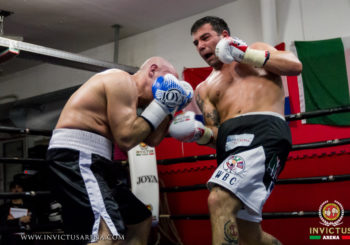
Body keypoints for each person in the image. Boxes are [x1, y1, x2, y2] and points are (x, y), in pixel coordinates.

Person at [169, 16, 302, 244]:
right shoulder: (203, 89)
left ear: (224, 36)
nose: (200, 46)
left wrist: (245, 54)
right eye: (196, 43)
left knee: (218, 200)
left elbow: (294, 66)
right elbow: (217, 135)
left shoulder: (256, 52)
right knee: (250, 236)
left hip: (264, 132)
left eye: (205, 37)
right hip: (230, 147)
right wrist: (199, 134)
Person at [46, 56, 192, 245]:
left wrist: (169, 107)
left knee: (139, 219)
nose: (171, 87)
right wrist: (162, 104)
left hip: (95, 161)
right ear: (152, 70)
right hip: (76, 156)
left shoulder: (136, 102)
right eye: (169, 80)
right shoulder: (122, 80)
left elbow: (152, 139)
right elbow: (126, 138)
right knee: (106, 232)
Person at [0, 180, 36, 245]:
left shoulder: (29, 206)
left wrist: (12, 221)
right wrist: (19, 220)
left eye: (19, 187)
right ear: (10, 190)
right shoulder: (4, 208)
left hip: (25, 242)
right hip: (9, 241)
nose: (16, 190)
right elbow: (3, 224)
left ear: (22, 189)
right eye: (14, 188)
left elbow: (33, 223)